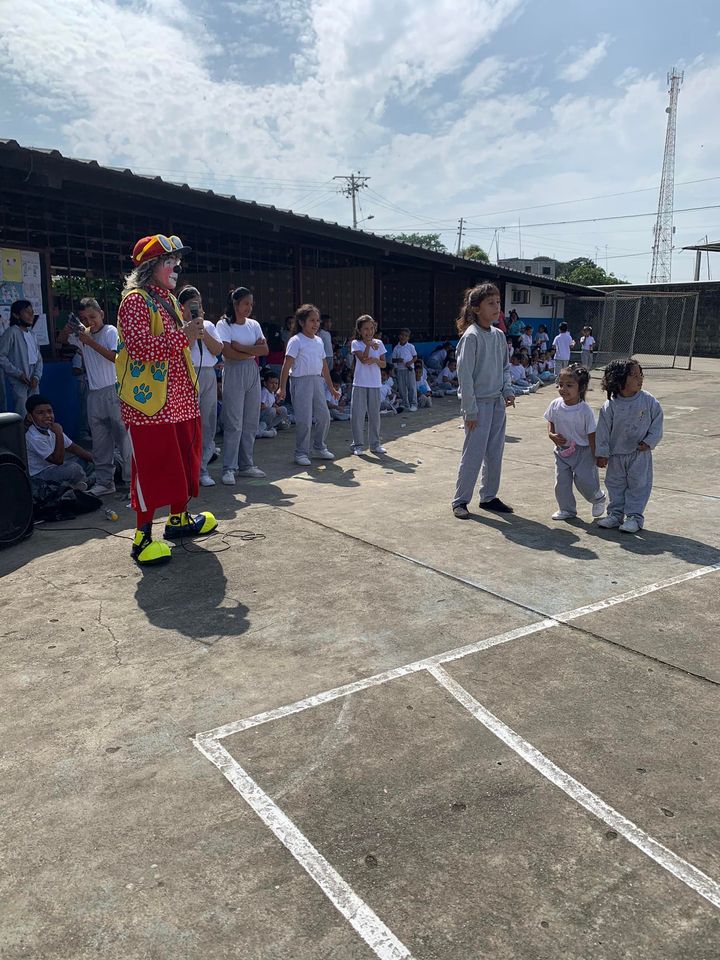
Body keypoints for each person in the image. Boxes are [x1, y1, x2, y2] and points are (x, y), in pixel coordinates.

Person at [116, 233, 218, 566]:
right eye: (169, 261)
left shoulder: (169, 300)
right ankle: (142, 537)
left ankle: (178, 518)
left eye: (177, 261)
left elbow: (175, 346)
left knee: (183, 461)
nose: (176, 267)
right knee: (152, 468)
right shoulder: (135, 301)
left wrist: (186, 334)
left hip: (180, 400)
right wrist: (183, 335)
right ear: (151, 266)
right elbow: (140, 349)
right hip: (150, 406)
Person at [452, 283, 515, 520]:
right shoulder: (471, 337)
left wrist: (507, 390)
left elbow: (505, 368)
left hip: (497, 403)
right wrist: (470, 411)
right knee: (473, 454)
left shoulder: (499, 336)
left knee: (495, 453)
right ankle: (460, 500)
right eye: (491, 303)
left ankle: (489, 496)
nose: (497, 307)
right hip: (477, 405)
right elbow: (465, 376)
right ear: (477, 309)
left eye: (498, 302)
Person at [69, 297, 132, 496]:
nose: (89, 322)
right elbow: (62, 339)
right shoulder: (83, 335)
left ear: (102, 314)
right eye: (84, 318)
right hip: (94, 393)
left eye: (92, 317)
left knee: (124, 439)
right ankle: (105, 482)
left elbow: (116, 357)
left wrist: (90, 342)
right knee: (100, 442)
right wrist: (73, 327)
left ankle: (132, 482)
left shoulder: (110, 331)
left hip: (114, 390)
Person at [595, 359, 663, 534]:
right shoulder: (610, 405)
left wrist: (649, 441)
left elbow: (657, 423)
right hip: (616, 454)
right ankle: (615, 514)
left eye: (641, 375)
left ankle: (634, 517)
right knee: (615, 484)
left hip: (639, 453)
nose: (640, 379)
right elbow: (603, 431)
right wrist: (602, 453)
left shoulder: (648, 401)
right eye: (633, 375)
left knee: (638, 486)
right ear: (618, 380)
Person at [215, 287, 268, 485]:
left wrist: (242, 348)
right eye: (246, 303)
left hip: (252, 371)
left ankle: (246, 464)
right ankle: (229, 467)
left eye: (251, 304)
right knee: (234, 422)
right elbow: (228, 352)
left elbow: (264, 349)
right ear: (235, 304)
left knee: (251, 420)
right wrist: (251, 350)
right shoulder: (224, 324)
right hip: (233, 370)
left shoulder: (253, 324)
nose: (249, 308)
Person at [276, 303, 340, 466]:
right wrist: (282, 387)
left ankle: (319, 447)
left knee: (324, 416)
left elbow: (324, 366)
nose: (316, 324)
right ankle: (301, 452)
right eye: (312, 320)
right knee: (304, 419)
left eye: (317, 320)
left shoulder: (319, 341)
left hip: (317, 381)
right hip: (300, 381)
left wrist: (331, 387)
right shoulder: (296, 340)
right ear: (301, 322)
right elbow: (286, 365)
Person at [544, 365, 606, 522]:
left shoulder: (585, 411)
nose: (563, 389)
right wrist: (551, 435)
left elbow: (592, 435)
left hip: (583, 452)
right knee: (561, 483)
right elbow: (550, 420)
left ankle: (598, 498)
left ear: (581, 388)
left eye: (569, 385)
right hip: (562, 451)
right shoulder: (555, 404)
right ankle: (567, 509)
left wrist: (597, 456)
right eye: (561, 384)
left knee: (584, 481)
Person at [176, 286, 223, 486]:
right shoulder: (177, 327)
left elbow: (218, 349)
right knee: (189, 424)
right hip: (187, 375)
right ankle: (188, 469)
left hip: (208, 375)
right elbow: (183, 349)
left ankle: (202, 469)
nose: (197, 309)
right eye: (192, 306)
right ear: (181, 308)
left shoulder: (209, 325)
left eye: (199, 305)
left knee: (207, 422)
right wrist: (191, 330)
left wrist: (202, 330)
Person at [25, 394, 93, 490]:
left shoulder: (51, 428)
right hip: (40, 475)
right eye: (40, 413)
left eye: (49, 411)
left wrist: (97, 461)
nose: (47, 416)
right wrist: (58, 433)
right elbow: (58, 461)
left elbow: (74, 448)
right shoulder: (33, 437)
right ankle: (85, 485)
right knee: (74, 469)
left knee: (86, 460)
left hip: (56, 468)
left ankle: (81, 483)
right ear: (30, 417)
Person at [350, 314, 386, 455]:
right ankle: (358, 445)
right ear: (359, 330)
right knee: (358, 415)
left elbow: (383, 364)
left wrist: (376, 360)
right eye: (365, 329)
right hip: (360, 383)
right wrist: (368, 345)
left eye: (371, 328)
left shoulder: (379, 343)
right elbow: (364, 360)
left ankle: (375, 444)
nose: (369, 332)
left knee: (374, 415)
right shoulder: (356, 343)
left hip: (375, 384)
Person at [0, 300, 43, 416]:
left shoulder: (32, 334)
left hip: (33, 381)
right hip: (18, 381)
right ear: (16, 315)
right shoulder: (11, 332)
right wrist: (18, 374)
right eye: (27, 312)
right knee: (22, 414)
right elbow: (1, 356)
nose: (31, 315)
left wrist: (36, 376)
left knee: (36, 411)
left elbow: (38, 358)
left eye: (32, 312)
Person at [391, 328, 418, 412]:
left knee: (411, 387)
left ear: (408, 338)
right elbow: (393, 360)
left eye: (406, 336)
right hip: (400, 370)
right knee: (402, 388)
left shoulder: (411, 346)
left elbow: (415, 357)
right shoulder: (396, 348)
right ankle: (405, 403)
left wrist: (410, 363)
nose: (403, 337)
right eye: (402, 335)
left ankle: (413, 404)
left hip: (409, 370)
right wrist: (398, 360)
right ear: (399, 336)